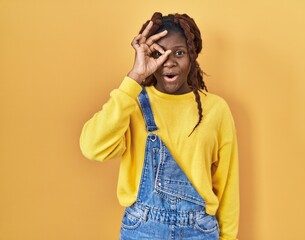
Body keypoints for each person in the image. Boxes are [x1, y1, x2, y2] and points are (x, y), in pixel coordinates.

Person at [80, 12, 239, 240]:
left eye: (179, 52)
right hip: (143, 229)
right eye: (158, 53)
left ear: (192, 55)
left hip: (199, 231)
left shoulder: (217, 110)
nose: (169, 61)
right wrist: (134, 78)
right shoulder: (132, 103)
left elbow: (227, 185)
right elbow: (91, 146)